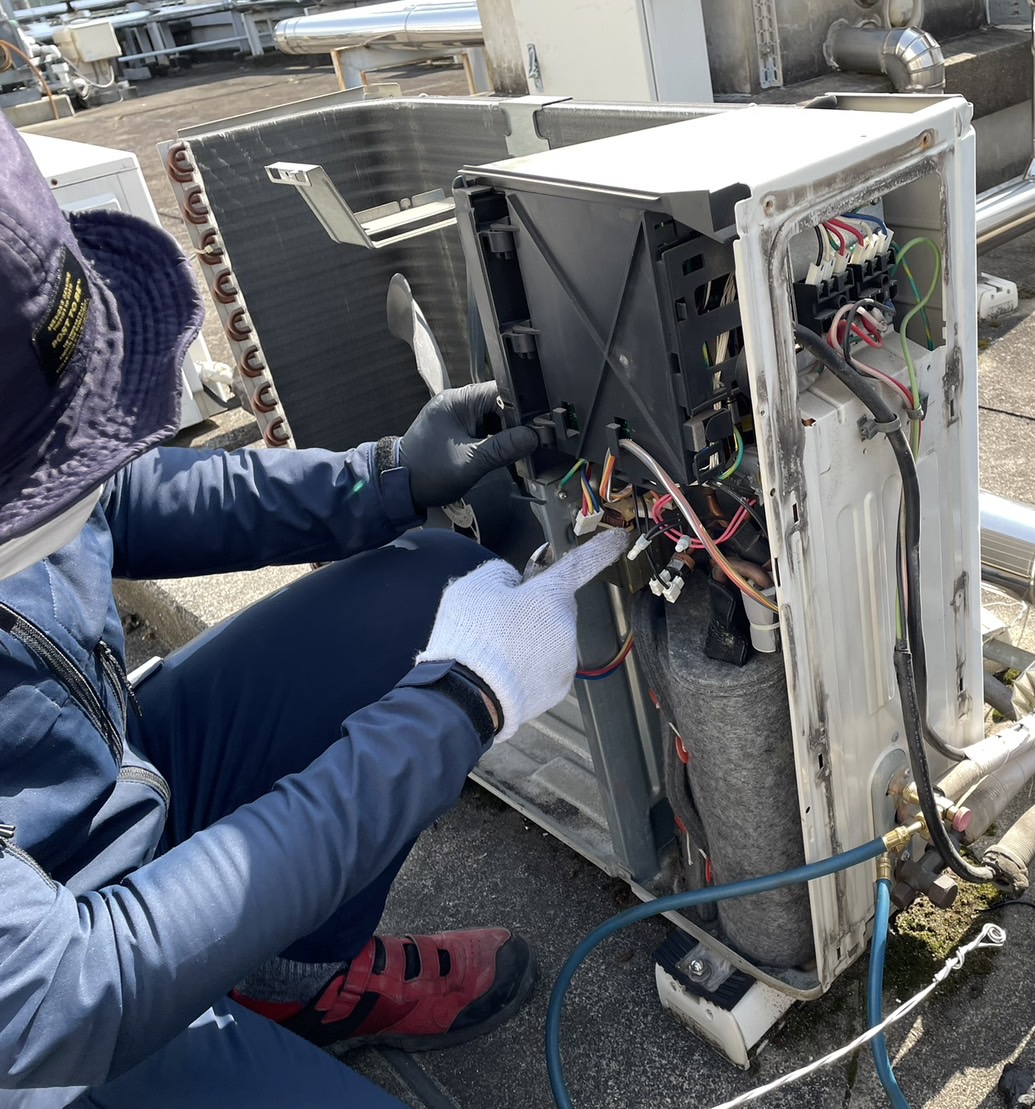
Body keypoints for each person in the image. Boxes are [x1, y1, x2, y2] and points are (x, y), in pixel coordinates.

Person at [0, 117, 626, 1107]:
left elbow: (101, 493)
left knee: (427, 585)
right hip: (57, 1025)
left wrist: (382, 477)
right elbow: (66, 992)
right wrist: (456, 708)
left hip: (111, 779)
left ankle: (294, 979)